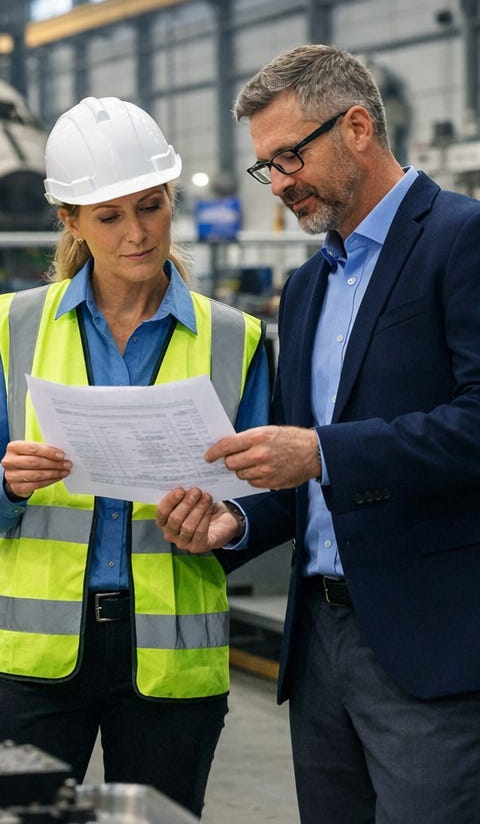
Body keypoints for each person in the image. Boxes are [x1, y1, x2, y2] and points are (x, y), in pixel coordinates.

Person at [156, 45, 480, 823]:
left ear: (359, 127)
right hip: (321, 641)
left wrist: (325, 452)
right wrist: (234, 520)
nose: (282, 181)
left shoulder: (461, 241)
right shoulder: (306, 288)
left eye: (290, 156)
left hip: (427, 645)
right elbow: (301, 475)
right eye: (267, 167)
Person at [0, 96, 269, 817]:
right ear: (71, 221)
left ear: (171, 200)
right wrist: (7, 482)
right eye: (110, 217)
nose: (137, 234)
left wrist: (232, 524)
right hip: (36, 659)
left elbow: (272, 495)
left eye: (150, 207)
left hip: (171, 663)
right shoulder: (16, 324)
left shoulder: (235, 339)